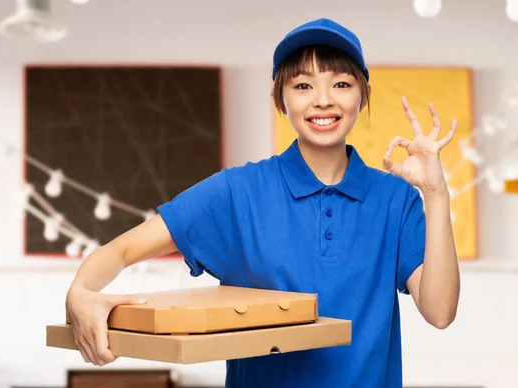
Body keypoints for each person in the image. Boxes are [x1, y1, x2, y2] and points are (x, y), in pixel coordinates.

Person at [65, 17, 460, 388]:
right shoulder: (238, 192)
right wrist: (80, 291)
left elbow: (440, 312)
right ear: (280, 98)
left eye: (341, 84)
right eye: (302, 86)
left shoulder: (395, 199)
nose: (323, 101)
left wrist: (436, 193)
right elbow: (120, 251)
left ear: (363, 95)